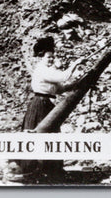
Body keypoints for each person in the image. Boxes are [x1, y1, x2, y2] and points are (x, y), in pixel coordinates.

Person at [20, 36, 83, 180]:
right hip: (39, 104)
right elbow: (63, 77)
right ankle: (34, 170)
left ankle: (51, 170)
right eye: (49, 57)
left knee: (51, 135)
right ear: (41, 57)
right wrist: (75, 64)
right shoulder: (42, 70)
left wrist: (79, 83)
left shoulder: (48, 71)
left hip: (47, 104)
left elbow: (60, 88)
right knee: (40, 135)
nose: (51, 60)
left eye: (52, 57)